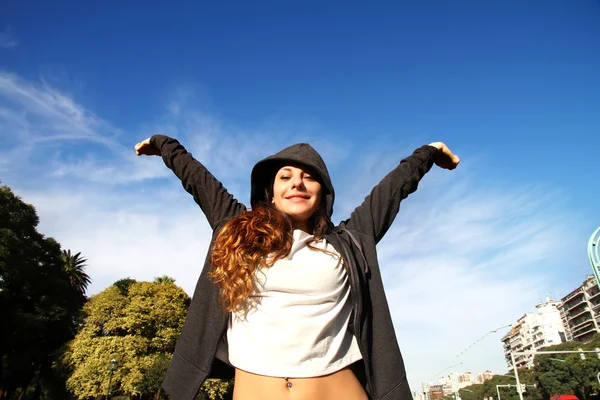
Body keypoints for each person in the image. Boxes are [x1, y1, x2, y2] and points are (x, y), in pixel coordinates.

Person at [135, 135, 459, 400]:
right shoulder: (236, 230)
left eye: (309, 177)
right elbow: (198, 180)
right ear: (271, 193)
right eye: (285, 177)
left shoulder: (350, 239)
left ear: (322, 193)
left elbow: (391, 190)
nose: (297, 184)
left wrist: (428, 153)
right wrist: (165, 144)